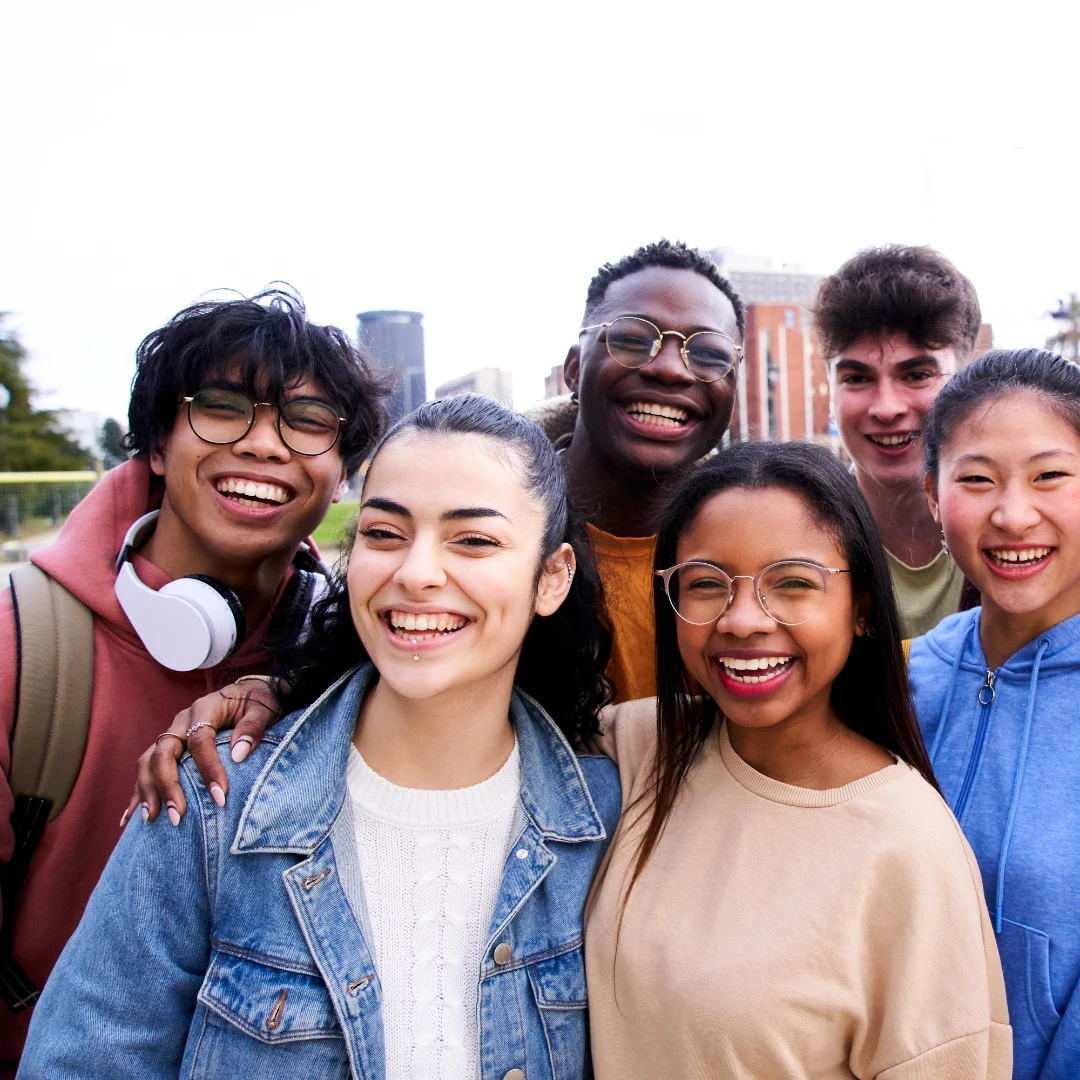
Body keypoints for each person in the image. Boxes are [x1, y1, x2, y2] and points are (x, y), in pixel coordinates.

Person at [20, 395, 621, 1080]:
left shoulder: (606, 821)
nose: (417, 573)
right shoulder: (211, 806)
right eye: (384, 533)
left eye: (473, 540)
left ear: (552, 577)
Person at [0, 288, 387, 1071]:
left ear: (342, 474)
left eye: (307, 423)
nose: (265, 445)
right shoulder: (21, 650)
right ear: (153, 441)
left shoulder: (359, 654)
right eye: (222, 408)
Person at [586, 440, 1011, 1078]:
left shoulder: (908, 848)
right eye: (705, 584)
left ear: (862, 604)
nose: (742, 620)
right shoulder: (636, 748)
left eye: (792, 583)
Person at [911, 349, 1080, 1080]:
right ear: (931, 497)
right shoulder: (907, 675)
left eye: (1051, 476)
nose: (1014, 515)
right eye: (976, 480)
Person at [535, 238, 745, 701]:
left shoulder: (758, 551)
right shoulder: (495, 532)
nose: (671, 370)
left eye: (709, 354)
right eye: (632, 340)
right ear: (573, 369)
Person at [816, 244, 983, 637]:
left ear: (964, 382)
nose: (886, 408)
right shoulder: (798, 535)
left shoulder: (1023, 526)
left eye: (917, 375)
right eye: (856, 378)